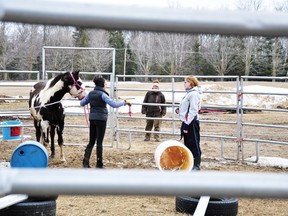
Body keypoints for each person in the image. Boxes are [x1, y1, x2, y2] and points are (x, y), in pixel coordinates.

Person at [80, 76, 131, 168]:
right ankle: (99, 164)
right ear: (102, 84)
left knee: (91, 141)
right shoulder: (103, 95)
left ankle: (85, 162)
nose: (106, 84)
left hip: (92, 119)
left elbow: (82, 103)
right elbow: (114, 104)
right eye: (105, 83)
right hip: (101, 119)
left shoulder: (91, 94)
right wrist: (124, 102)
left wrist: (88, 99)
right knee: (99, 142)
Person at [175, 76, 202, 170]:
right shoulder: (189, 94)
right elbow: (187, 106)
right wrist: (180, 110)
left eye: (186, 82)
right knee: (188, 142)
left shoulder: (193, 94)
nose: (184, 84)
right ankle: (190, 162)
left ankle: (196, 164)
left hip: (191, 122)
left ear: (191, 83)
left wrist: (187, 124)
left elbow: (193, 110)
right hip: (187, 121)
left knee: (193, 142)